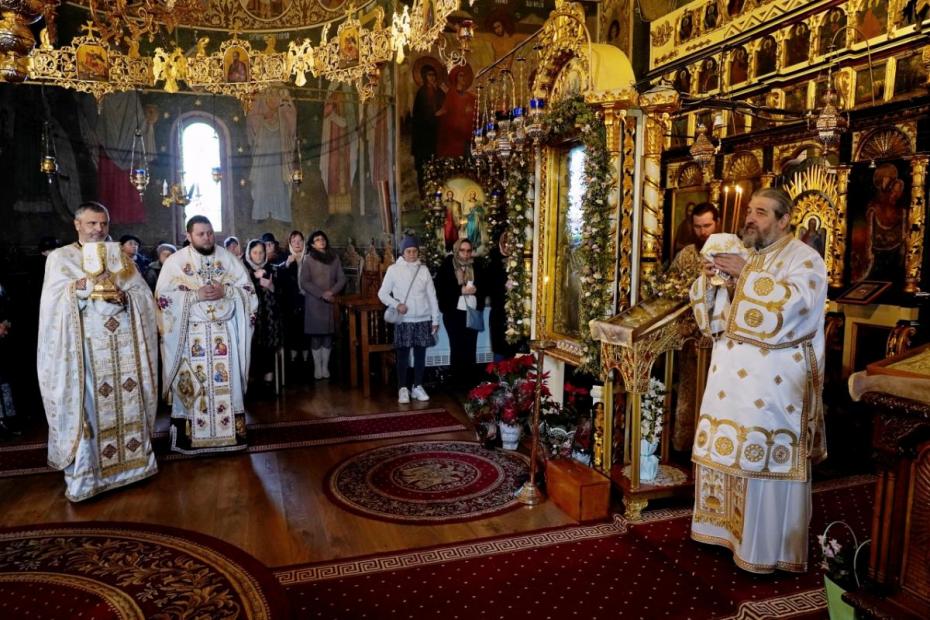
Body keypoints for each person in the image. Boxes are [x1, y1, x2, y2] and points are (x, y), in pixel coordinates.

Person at [688, 188, 828, 573]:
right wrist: (712, 282)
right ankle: (721, 531)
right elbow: (716, 321)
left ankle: (763, 549)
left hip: (772, 386)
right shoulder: (747, 255)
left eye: (761, 212)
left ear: (784, 220)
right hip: (731, 383)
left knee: (758, 453)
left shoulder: (805, 259)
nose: (750, 218)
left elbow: (796, 309)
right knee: (729, 447)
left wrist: (744, 275)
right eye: (750, 210)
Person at [38, 202, 159, 501]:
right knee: (89, 412)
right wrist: (85, 286)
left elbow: (143, 295)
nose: (99, 229)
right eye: (92, 223)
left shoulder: (121, 257)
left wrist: (124, 297)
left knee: (127, 402)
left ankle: (133, 468)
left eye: (103, 223)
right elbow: (53, 305)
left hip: (123, 354)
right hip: (85, 358)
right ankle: (88, 478)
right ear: (77, 225)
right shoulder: (61, 258)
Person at [155, 215, 257, 454]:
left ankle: (230, 435)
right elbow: (162, 299)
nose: (207, 238)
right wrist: (194, 295)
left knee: (226, 384)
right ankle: (189, 437)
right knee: (192, 385)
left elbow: (249, 292)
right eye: (201, 234)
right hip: (189, 337)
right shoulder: (176, 262)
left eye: (209, 233)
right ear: (189, 236)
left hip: (224, 336)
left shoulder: (228, 259)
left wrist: (227, 291)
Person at [667, 203, 719, 452]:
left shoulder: (729, 252)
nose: (703, 232)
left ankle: (712, 447)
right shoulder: (686, 254)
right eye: (698, 227)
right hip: (689, 337)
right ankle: (686, 445)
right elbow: (670, 286)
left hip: (718, 339)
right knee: (689, 391)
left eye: (707, 225)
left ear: (717, 223)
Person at [378, 235, 439, 404]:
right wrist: (396, 304)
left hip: (423, 319)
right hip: (404, 319)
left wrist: (435, 319)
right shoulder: (393, 270)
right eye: (408, 251)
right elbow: (382, 294)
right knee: (403, 355)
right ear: (403, 253)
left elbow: (432, 296)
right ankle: (402, 388)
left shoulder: (423, 270)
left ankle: (417, 386)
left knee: (420, 355)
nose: (412, 254)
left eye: (414, 251)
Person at [434, 238, 485, 390]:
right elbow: (441, 288)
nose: (466, 254)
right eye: (462, 250)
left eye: (469, 251)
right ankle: (457, 382)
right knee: (457, 347)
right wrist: (460, 291)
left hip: (472, 312)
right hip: (454, 313)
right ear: (457, 250)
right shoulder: (447, 266)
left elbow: (485, 285)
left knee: (471, 347)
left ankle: (470, 382)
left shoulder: (476, 266)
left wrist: (477, 290)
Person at [299, 230, 347, 380]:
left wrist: (331, 292)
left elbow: (342, 279)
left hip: (330, 302)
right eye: (317, 239)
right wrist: (321, 294)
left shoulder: (334, 258)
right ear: (312, 244)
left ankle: (325, 367)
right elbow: (304, 282)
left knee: (327, 336)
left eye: (323, 238)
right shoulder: (308, 259)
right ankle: (317, 367)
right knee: (316, 337)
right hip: (314, 302)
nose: (321, 241)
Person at [243, 239, 282, 389]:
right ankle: (252, 376)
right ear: (249, 253)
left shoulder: (272, 268)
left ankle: (268, 376)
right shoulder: (243, 270)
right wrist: (254, 278)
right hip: (250, 314)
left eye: (261, 252)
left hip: (269, 314)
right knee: (252, 344)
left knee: (268, 343)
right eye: (255, 252)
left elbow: (281, 292)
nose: (258, 256)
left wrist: (271, 286)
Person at [277, 231, 311, 367]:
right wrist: (286, 264)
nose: (297, 243)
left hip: (307, 298)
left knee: (306, 327)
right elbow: (279, 278)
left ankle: (306, 353)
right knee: (293, 328)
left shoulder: (309, 258)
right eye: (294, 241)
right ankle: (293, 355)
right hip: (290, 300)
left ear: (304, 242)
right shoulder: (284, 257)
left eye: (300, 240)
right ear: (290, 243)